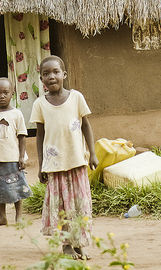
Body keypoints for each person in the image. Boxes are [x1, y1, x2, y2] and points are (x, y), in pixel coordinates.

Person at [30, 55, 99, 261]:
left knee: (79, 205)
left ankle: (79, 244)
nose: (51, 76)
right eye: (46, 73)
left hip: (77, 161)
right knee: (62, 207)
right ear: (41, 79)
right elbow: (40, 135)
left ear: (64, 75)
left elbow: (86, 125)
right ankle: (67, 246)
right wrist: (41, 164)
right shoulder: (40, 104)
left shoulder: (76, 97)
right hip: (55, 165)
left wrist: (92, 153)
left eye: (55, 72)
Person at [0, 77, 32, 226]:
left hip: (12, 158)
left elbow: (22, 136)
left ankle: (19, 216)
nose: (2, 96)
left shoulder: (16, 114)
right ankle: (2, 217)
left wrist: (21, 157)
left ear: (12, 93)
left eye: (5, 92)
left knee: (15, 186)